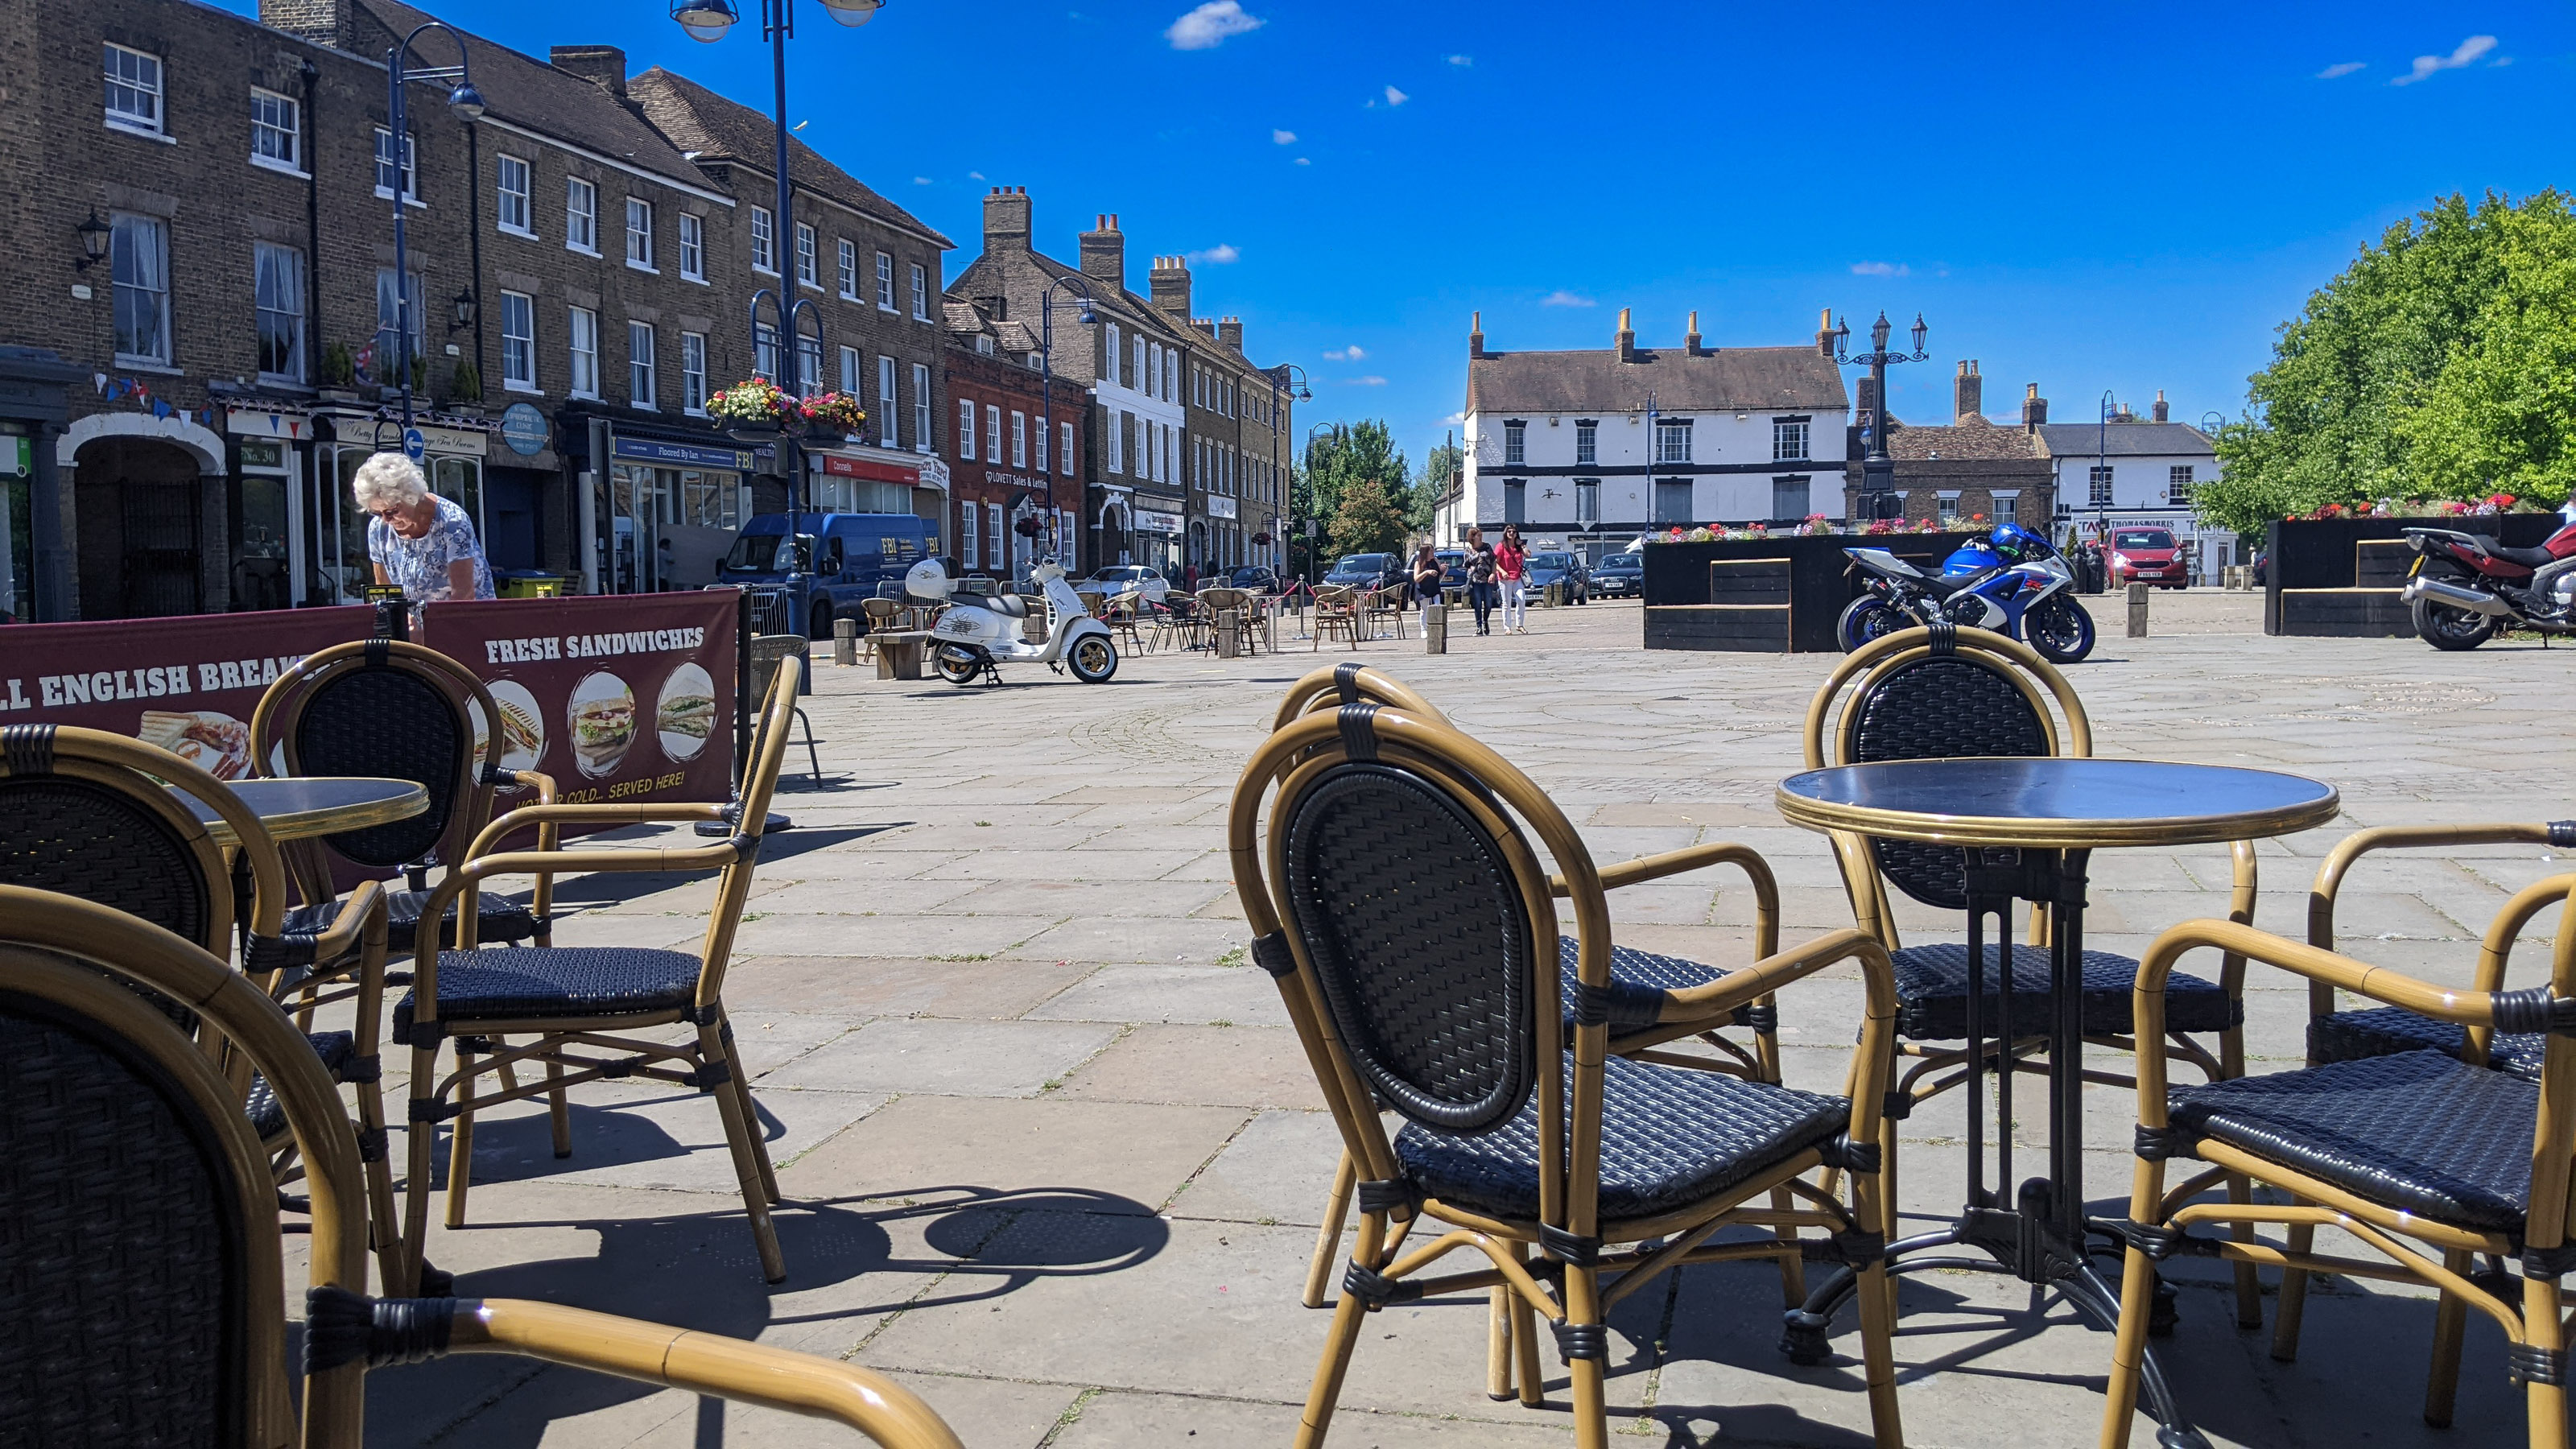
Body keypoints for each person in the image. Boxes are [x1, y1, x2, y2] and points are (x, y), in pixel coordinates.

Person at [354, 452, 493, 606]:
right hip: (411, 618)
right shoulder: (378, 528)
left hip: (464, 616)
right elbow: (383, 592)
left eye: (392, 511)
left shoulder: (452, 521)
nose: (386, 519)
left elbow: (464, 595)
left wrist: (424, 620)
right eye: (377, 513)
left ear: (411, 496)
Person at [1464, 527, 1499, 635]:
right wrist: (1471, 568)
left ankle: (1485, 621)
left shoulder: (1487, 547)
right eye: (1478, 535)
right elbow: (1466, 564)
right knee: (1478, 603)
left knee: (1488, 603)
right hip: (1475, 581)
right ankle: (1479, 626)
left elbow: (1494, 561)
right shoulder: (1468, 550)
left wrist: (1493, 573)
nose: (1481, 537)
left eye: (1481, 535)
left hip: (1487, 579)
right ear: (1472, 537)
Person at [1496, 524, 1530, 634]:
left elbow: (1528, 555)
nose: (1511, 533)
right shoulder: (1501, 546)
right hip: (1504, 578)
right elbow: (1495, 562)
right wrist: (1502, 571)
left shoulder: (1518, 546)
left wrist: (1523, 545)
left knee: (1521, 600)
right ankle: (1507, 627)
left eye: (1514, 532)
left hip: (1517, 578)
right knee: (1507, 603)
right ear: (1506, 533)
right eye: (1509, 531)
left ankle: (1519, 625)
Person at [1410, 543, 1445, 607]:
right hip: (1423, 591)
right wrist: (1426, 572)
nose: (1433, 552)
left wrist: (1444, 571)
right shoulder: (1419, 563)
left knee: (1437, 608)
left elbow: (1439, 578)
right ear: (1425, 552)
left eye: (1433, 550)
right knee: (1425, 610)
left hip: (1435, 590)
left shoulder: (1435, 561)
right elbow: (1416, 579)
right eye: (1431, 551)